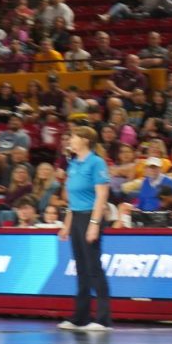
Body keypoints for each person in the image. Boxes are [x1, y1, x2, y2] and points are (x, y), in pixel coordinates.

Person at [57, 126, 112, 332]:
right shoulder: (73, 164)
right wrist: (66, 225)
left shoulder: (96, 162)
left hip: (91, 216)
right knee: (81, 268)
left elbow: (101, 196)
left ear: (85, 140)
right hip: (77, 218)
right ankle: (80, 317)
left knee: (93, 267)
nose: (70, 140)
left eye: (73, 137)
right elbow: (73, 200)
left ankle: (103, 319)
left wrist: (94, 224)